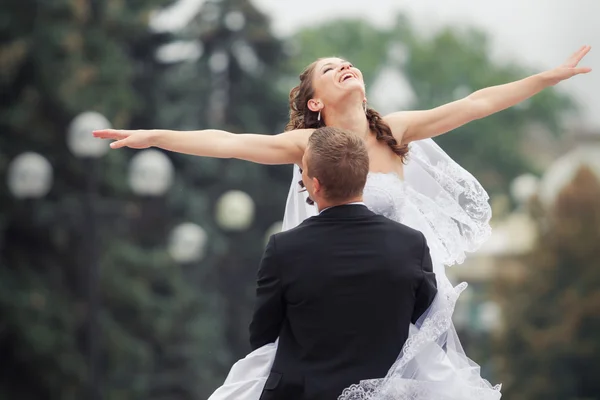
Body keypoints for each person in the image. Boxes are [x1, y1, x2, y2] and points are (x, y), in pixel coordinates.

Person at [93, 45, 592, 399]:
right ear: (315, 102)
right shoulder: (307, 146)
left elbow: (475, 104)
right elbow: (226, 140)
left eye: (347, 62)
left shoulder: (396, 130)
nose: (344, 66)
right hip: (333, 287)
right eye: (330, 69)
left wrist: (546, 79)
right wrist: (154, 135)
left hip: (398, 285)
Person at [246, 126, 437, 400]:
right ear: (363, 178)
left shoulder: (283, 249)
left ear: (316, 185)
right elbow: (427, 321)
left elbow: (263, 335)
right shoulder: (411, 244)